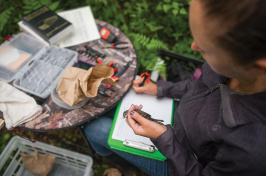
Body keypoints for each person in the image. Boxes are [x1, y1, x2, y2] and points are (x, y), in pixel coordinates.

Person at [83, 0, 266, 175]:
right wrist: (160, 89)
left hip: (179, 162)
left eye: (207, 49)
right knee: (107, 102)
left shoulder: (253, 151)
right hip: (176, 118)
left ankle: (125, 166)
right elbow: (200, 86)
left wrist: (165, 138)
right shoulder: (234, 68)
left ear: (258, 67)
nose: (194, 47)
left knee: (94, 129)